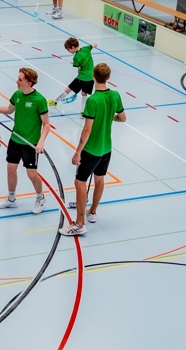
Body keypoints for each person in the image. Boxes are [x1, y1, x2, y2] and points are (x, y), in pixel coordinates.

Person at [60, 63, 126, 237]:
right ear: (109, 77)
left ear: (93, 77)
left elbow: (87, 130)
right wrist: (106, 117)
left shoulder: (93, 100)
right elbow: (122, 117)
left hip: (92, 150)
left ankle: (80, 223)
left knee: (80, 182)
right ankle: (93, 212)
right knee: (99, 179)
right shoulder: (115, 95)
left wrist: (77, 152)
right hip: (106, 149)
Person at [0, 68, 51, 215]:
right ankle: (11, 199)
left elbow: (47, 124)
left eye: (20, 79)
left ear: (29, 82)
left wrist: (41, 142)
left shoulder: (39, 100)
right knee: (11, 169)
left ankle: (41, 197)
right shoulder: (17, 94)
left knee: (32, 174)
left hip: (30, 143)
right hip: (15, 139)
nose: (16, 81)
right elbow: (8, 109)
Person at [49, 38, 98, 111]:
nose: (68, 51)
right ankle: (83, 112)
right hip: (92, 77)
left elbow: (79, 69)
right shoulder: (86, 48)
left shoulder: (76, 57)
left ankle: (55, 102)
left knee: (68, 89)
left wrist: (80, 70)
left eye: (68, 49)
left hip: (82, 77)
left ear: (73, 47)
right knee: (84, 93)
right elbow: (94, 45)